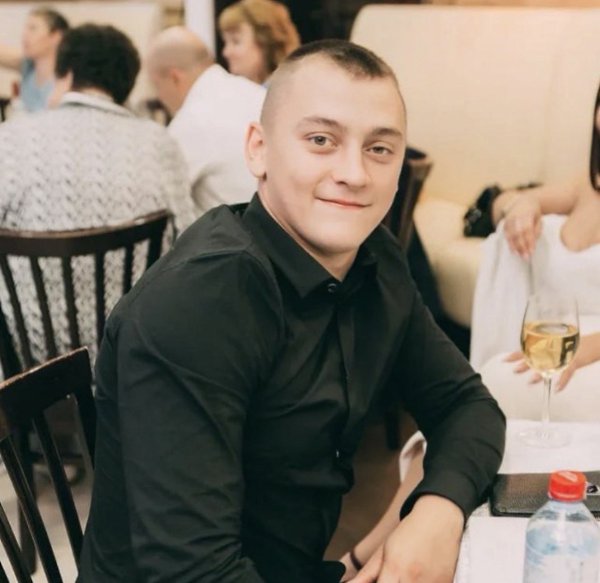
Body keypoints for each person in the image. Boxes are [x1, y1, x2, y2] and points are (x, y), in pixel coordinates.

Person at [78, 40, 505, 583]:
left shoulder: (376, 260)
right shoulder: (197, 305)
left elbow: (468, 406)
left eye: (379, 149)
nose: (354, 173)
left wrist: (437, 511)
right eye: (321, 140)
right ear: (258, 150)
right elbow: (194, 572)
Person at [0, 24, 195, 367]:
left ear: (66, 74)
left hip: (32, 370)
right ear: (125, 87)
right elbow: (189, 245)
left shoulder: (9, 138)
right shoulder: (159, 143)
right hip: (133, 362)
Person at [469, 81, 600, 420]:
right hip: (557, 334)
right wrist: (523, 206)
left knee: (502, 387)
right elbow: (511, 201)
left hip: (591, 348)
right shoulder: (587, 185)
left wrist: (588, 348)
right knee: (494, 377)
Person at [147, 26, 266, 215]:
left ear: (175, 77)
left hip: (238, 230)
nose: (159, 97)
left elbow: (152, 199)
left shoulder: (191, 122)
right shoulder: (258, 93)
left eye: (156, 86)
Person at [0, 6, 69, 112]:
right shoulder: (28, 66)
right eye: (26, 29)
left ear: (56, 36)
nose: (25, 35)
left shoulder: (69, 78)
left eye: (33, 29)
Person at [218, 0, 300, 85]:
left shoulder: (287, 89)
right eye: (225, 43)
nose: (226, 53)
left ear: (265, 42)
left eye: (236, 41)